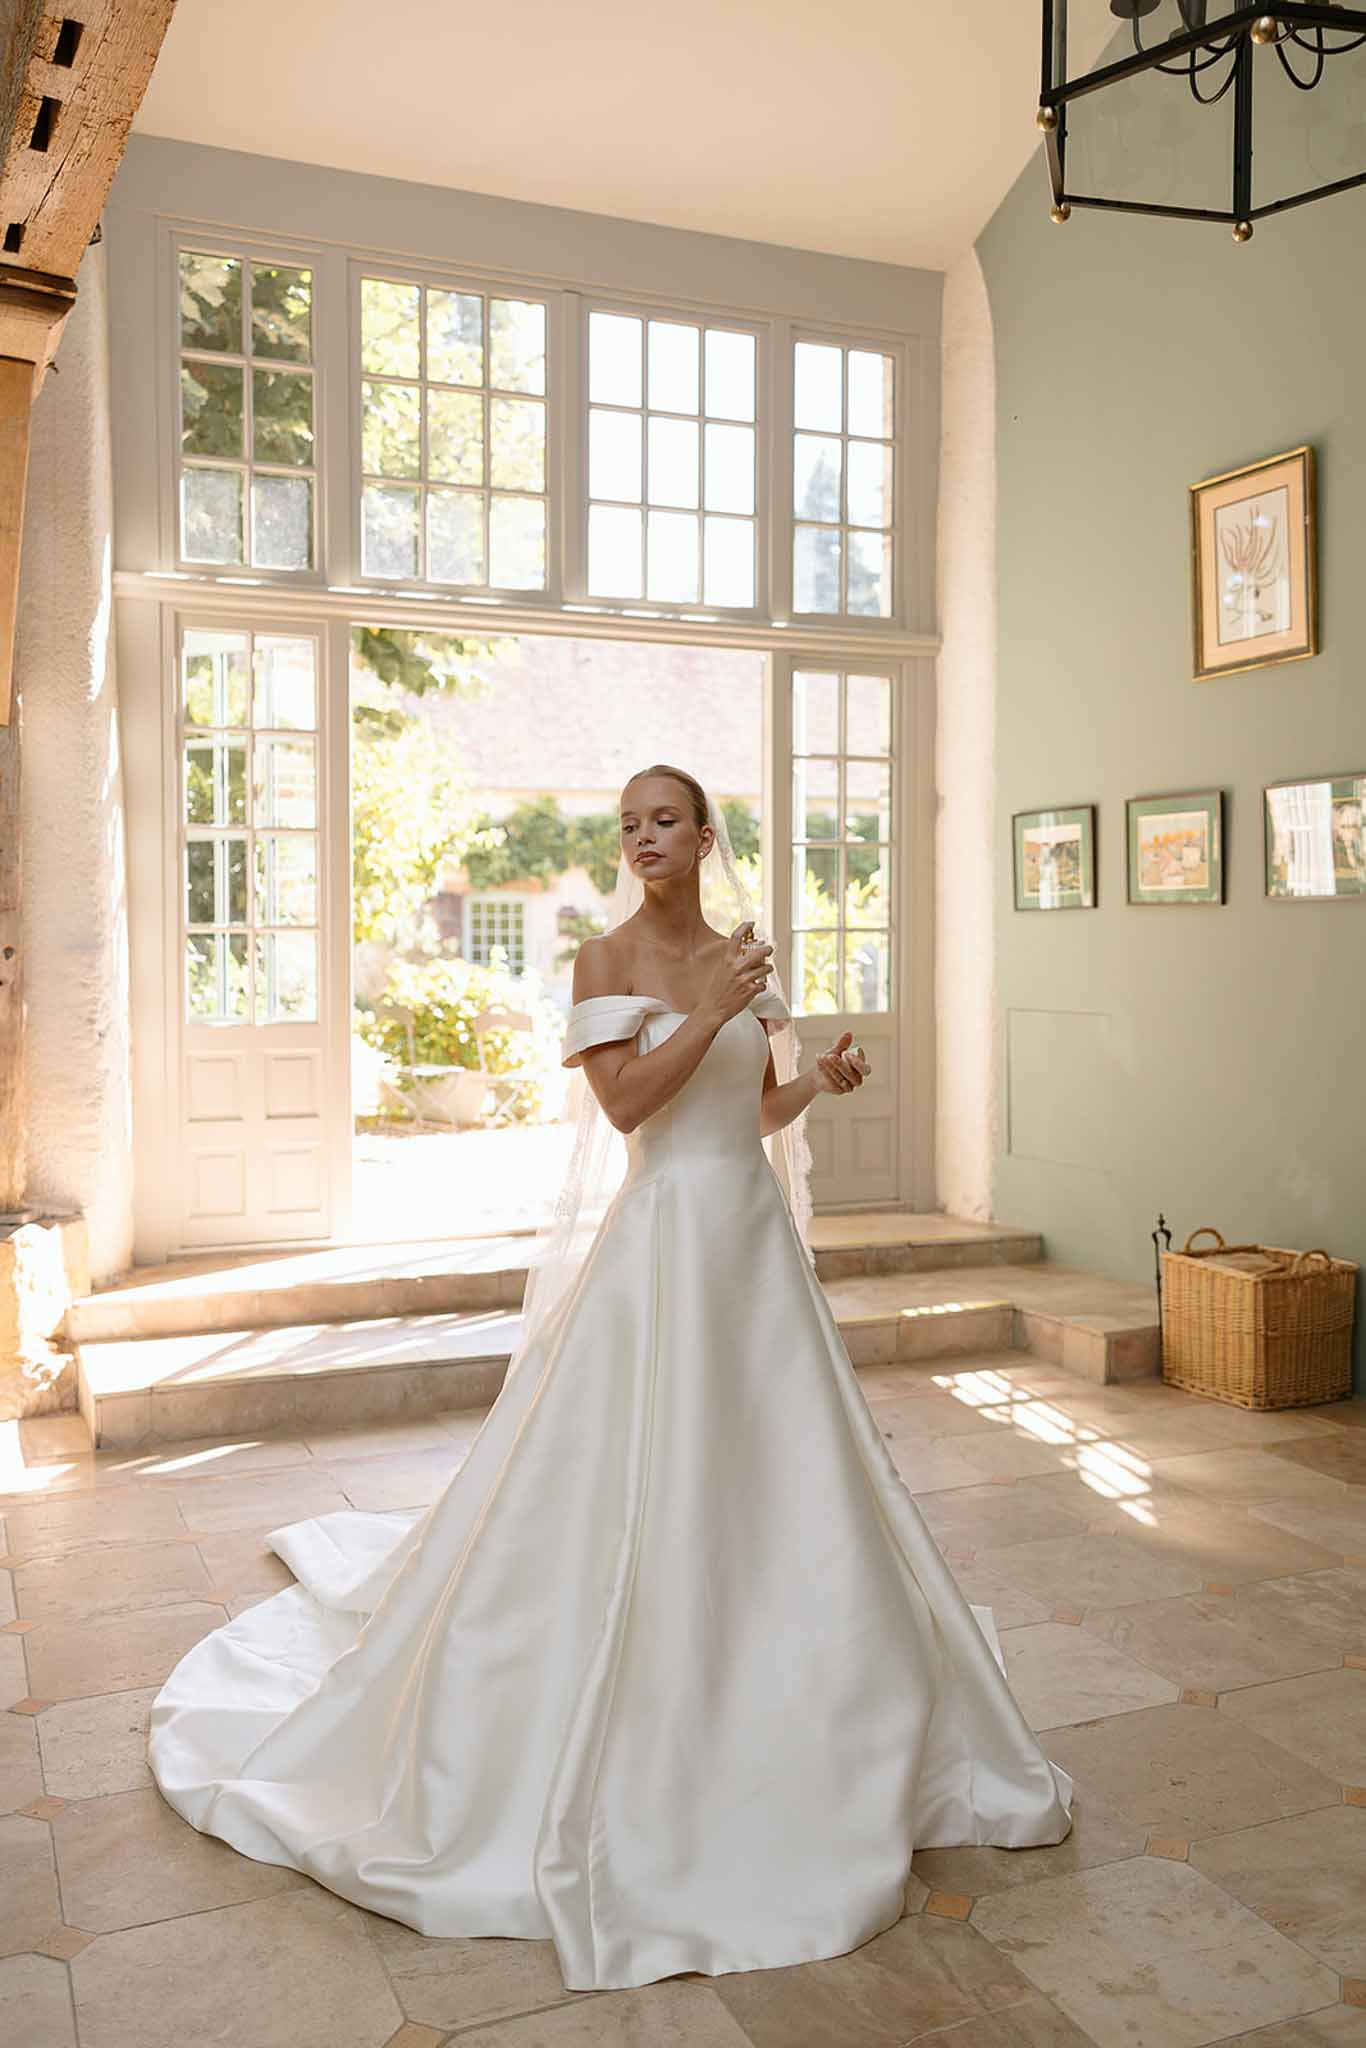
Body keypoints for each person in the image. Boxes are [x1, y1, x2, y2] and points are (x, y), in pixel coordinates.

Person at [147, 764, 1073, 1994]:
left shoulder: (743, 953)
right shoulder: (600, 962)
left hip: (749, 1248)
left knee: (790, 1472)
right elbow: (634, 1109)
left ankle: (807, 1679)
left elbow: (747, 1118)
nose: (642, 837)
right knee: (639, 1473)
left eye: (664, 819)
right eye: (628, 823)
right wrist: (708, 1009)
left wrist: (816, 1077)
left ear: (704, 835)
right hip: (663, 1248)